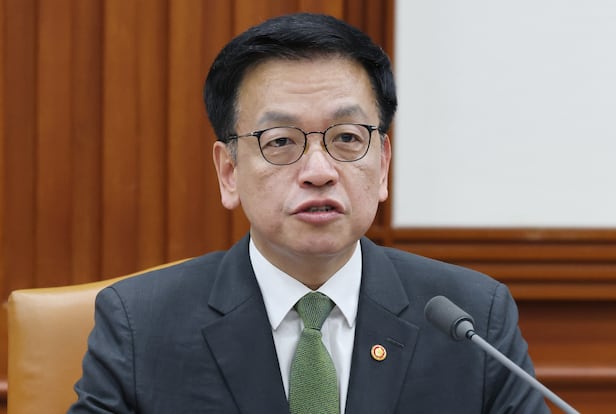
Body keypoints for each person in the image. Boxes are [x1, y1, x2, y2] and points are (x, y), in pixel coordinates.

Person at [69, 13, 549, 413]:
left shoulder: (472, 321)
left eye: (347, 138)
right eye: (280, 141)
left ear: (383, 164)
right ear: (229, 172)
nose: (319, 171)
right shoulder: (141, 326)